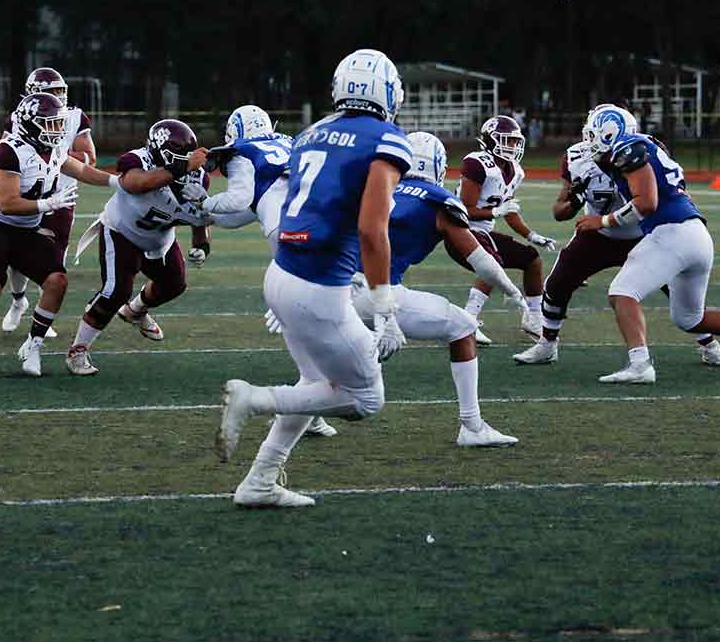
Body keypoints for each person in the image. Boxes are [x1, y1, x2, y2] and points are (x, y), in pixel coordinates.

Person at [214, 48, 410, 508]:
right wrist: (384, 308)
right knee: (366, 400)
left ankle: (258, 482)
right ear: (385, 91)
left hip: (282, 272)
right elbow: (371, 228)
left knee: (315, 382)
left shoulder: (311, 133)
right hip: (318, 288)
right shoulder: (385, 138)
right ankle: (255, 399)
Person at [572, 106, 720, 383]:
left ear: (609, 132)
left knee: (622, 292)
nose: (589, 141)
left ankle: (640, 366)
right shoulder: (647, 145)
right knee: (689, 318)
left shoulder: (627, 148)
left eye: (593, 134)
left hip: (671, 232)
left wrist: (601, 222)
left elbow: (646, 203)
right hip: (694, 235)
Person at [514, 104, 720, 369]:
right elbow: (559, 211)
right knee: (558, 283)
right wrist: (574, 200)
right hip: (599, 234)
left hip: (644, 233)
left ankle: (710, 345)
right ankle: (547, 345)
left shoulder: (642, 150)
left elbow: (670, 191)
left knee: (679, 290)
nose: (590, 138)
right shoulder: (575, 157)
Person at [345, 131, 520, 446]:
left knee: (330, 356)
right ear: (438, 166)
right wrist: (511, 289)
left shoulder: (378, 189)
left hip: (337, 288)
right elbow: (481, 261)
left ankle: (306, 414)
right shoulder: (438, 200)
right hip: (378, 294)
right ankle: (472, 426)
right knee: (464, 328)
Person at [0, 92, 115, 382]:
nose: (57, 130)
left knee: (57, 281)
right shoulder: (10, 150)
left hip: (28, 229)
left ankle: (33, 345)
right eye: (50, 124)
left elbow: (82, 170)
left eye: (57, 124)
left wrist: (118, 182)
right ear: (31, 124)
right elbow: (7, 203)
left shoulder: (51, 149)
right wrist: (46, 205)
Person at [204, 104, 336, 439]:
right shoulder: (285, 143)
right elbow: (254, 207)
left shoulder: (242, 151)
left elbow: (237, 202)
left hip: (288, 240)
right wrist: (205, 218)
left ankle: (304, 403)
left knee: (306, 325)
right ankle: (311, 406)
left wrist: (200, 205)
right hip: (322, 227)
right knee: (316, 322)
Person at [63, 119, 211, 376]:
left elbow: (199, 212)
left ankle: (135, 311)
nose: (187, 162)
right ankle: (78, 348)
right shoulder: (135, 160)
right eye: (180, 157)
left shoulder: (198, 176)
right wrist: (183, 166)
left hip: (159, 238)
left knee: (175, 284)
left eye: (188, 156)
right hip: (122, 231)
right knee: (115, 291)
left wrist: (201, 242)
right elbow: (136, 184)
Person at [2, 67, 96, 339]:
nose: (58, 96)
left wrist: (58, 154)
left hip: (61, 197)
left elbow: (89, 156)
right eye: (51, 91)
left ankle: (43, 314)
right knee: (15, 258)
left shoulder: (75, 116)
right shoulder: (20, 118)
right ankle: (18, 300)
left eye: (60, 90)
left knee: (55, 258)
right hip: (29, 193)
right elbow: (4, 150)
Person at [451, 115, 554, 344]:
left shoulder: (515, 170)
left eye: (515, 142)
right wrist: (494, 213)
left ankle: (534, 318)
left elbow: (509, 210)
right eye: (506, 141)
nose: (512, 146)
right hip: (462, 230)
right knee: (492, 262)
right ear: (490, 140)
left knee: (532, 259)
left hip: (484, 232)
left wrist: (531, 235)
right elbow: (464, 210)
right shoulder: (477, 163)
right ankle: (468, 320)